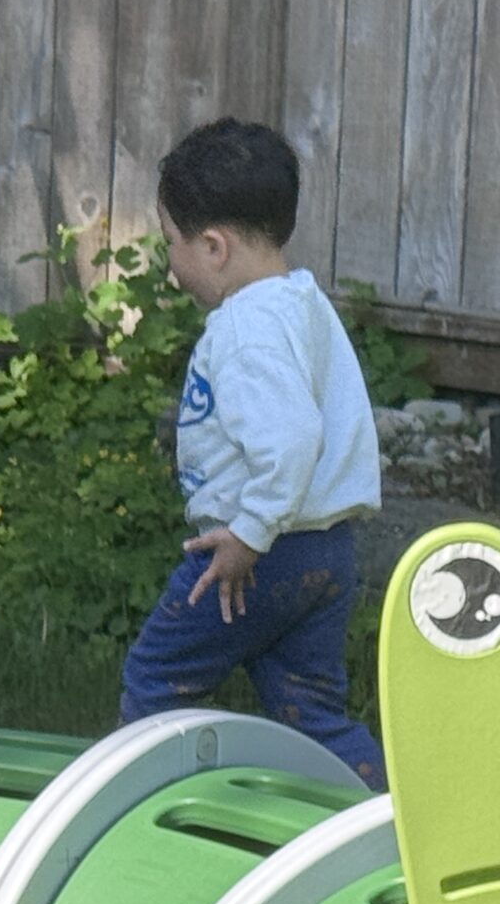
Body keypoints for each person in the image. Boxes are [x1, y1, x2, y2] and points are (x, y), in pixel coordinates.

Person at [121, 118, 387, 790]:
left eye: (170, 244)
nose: (170, 262)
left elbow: (293, 438)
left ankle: (133, 820)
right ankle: (387, 829)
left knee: (156, 681)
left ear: (213, 247)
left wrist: (247, 534)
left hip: (261, 553)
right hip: (327, 551)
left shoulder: (246, 329)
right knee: (311, 714)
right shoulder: (301, 303)